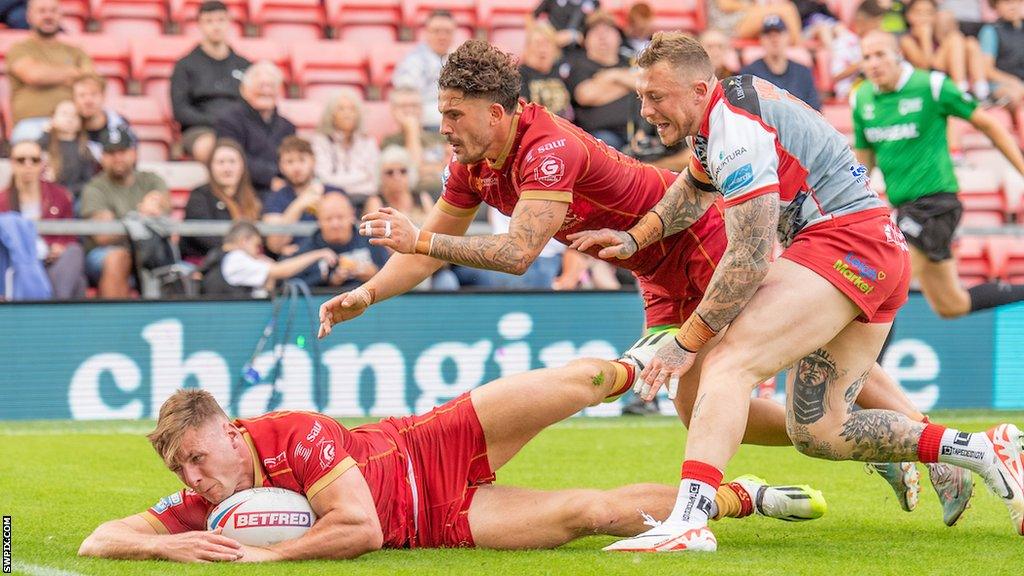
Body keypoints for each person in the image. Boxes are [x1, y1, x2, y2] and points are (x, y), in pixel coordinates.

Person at [320, 39, 971, 526]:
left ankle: (926, 446)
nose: (445, 127)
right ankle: (881, 442)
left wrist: (424, 239)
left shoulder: (547, 148)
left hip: (696, 235)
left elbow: (517, 252)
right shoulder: (473, 163)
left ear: (496, 113)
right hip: (653, 267)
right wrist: (370, 292)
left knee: (789, 350)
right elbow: (425, 248)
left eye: (455, 114)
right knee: (699, 410)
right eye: (441, 113)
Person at [564, 31, 1024, 552]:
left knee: (728, 362)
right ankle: (981, 448)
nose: (644, 110)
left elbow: (751, 256)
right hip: (869, 246)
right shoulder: (718, 112)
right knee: (819, 431)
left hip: (845, 243)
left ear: (697, 88)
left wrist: (685, 341)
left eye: (655, 97)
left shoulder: (734, 128)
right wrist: (636, 237)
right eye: (643, 96)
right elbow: (693, 189)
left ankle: (689, 522)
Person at [78, 360, 826, 562]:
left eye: (197, 458)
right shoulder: (210, 503)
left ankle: (668, 355)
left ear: (232, 433)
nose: (192, 479)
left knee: (584, 382)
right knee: (590, 513)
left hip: (434, 441)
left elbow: (361, 529)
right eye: (179, 470)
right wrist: (173, 542)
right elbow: (99, 539)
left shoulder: (289, 432)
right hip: (444, 521)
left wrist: (270, 561)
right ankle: (745, 497)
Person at [853, 31, 1024, 319]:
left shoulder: (930, 86)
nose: (873, 63)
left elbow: (990, 125)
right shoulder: (862, 98)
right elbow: (864, 161)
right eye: (867, 57)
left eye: (880, 54)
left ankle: (862, 365)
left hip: (936, 204)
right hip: (905, 208)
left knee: (882, 289)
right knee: (951, 305)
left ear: (898, 55)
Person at [79, 126, 170, 299]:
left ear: (133, 153)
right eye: (111, 152)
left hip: (149, 250)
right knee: (117, 258)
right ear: (103, 157)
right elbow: (103, 236)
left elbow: (161, 208)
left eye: (122, 151)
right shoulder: (95, 187)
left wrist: (122, 223)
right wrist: (139, 215)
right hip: (104, 254)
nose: (118, 158)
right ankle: (113, 324)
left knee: (186, 271)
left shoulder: (151, 179)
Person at [0, 140, 86, 299]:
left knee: (74, 252)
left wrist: (60, 247)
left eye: (34, 160)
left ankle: (50, 309)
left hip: (52, 260)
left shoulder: (60, 195)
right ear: (11, 163)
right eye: (21, 160)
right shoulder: (2, 200)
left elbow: (70, 235)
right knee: (78, 283)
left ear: (42, 164)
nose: (28, 165)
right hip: (18, 264)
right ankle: (54, 311)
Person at [170, 0, 251, 164]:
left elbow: (252, 103)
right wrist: (217, 121)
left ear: (229, 22)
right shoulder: (185, 65)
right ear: (199, 25)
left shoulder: (244, 65)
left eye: (221, 20)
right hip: (201, 130)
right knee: (211, 148)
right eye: (209, 21)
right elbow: (181, 111)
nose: (216, 26)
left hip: (240, 128)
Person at [7, 0, 93, 142]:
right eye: (42, 11)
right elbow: (34, 75)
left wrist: (48, 73)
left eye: (53, 11)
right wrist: (73, 73)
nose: (48, 16)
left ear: (60, 15)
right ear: (29, 16)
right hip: (32, 124)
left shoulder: (76, 51)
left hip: (72, 124)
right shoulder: (19, 49)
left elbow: (90, 81)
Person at [216, 61, 296, 196]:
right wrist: (270, 178)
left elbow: (291, 159)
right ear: (244, 90)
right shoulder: (228, 121)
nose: (265, 90)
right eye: (260, 85)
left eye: (270, 85)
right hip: (242, 190)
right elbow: (232, 159)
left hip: (280, 188)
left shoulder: (288, 126)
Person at [196, 221, 338, 297]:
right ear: (245, 240)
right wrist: (318, 254)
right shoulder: (236, 258)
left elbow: (267, 292)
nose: (257, 252)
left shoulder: (219, 257)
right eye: (256, 246)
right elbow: (281, 271)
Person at [262, 136, 347, 256]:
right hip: (294, 265)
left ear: (313, 161)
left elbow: (347, 235)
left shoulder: (334, 193)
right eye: (289, 162)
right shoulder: (274, 199)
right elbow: (275, 245)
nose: (296, 167)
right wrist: (300, 204)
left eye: (302, 160)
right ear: (281, 166)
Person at [564, 11, 637, 150]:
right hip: (602, 135)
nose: (602, 36)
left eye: (608, 30)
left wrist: (611, 76)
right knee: (604, 146)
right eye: (595, 31)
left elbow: (646, 84)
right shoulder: (579, 64)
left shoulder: (630, 62)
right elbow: (586, 95)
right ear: (585, 40)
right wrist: (628, 82)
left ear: (619, 37)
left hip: (640, 132)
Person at [180, 139, 263, 262]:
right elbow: (204, 237)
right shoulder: (199, 196)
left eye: (232, 162)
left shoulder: (255, 198)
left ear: (242, 166)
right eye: (220, 162)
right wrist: (240, 250)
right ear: (210, 167)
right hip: (207, 264)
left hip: (248, 263)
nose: (227, 168)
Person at [293, 193, 387, 290]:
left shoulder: (370, 240)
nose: (335, 225)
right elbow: (290, 284)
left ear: (352, 215)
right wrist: (329, 281)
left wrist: (375, 273)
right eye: (328, 219)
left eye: (340, 217)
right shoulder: (310, 247)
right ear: (319, 220)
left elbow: (390, 273)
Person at [900, 0, 990, 101]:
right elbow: (925, 66)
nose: (923, 17)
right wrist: (925, 38)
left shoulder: (937, 34)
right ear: (908, 15)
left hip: (943, 71)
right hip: (927, 76)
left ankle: (982, 92)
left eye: (929, 13)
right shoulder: (907, 40)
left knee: (971, 43)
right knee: (955, 38)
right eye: (918, 12)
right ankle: (960, 91)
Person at [310, 89, 380, 209]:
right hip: (330, 196)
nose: (347, 114)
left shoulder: (368, 142)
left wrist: (338, 182)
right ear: (331, 114)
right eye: (341, 109)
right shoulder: (320, 141)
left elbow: (373, 181)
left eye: (352, 109)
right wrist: (361, 178)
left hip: (364, 198)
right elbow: (323, 178)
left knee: (375, 203)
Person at [740, 15, 822, 111]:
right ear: (761, 39)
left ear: (787, 37)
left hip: (797, 124)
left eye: (778, 33)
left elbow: (815, 110)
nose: (774, 39)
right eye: (769, 35)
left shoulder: (803, 72)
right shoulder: (749, 74)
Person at [392, 9, 456, 130]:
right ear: (426, 33)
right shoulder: (412, 62)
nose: (442, 36)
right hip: (426, 127)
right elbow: (406, 106)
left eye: (447, 32)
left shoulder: (457, 59)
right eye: (436, 31)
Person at [380, 87, 450, 198]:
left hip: (446, 194)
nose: (409, 111)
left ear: (422, 109)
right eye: (403, 106)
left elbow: (449, 170)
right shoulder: (389, 142)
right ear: (393, 111)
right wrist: (411, 129)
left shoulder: (440, 136)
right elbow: (413, 172)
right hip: (415, 198)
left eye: (414, 106)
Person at [38, 99, 98, 201]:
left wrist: (70, 192)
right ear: (52, 118)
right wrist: (46, 132)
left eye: (75, 115)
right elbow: (35, 152)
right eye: (64, 113)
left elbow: (88, 181)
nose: (69, 118)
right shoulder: (45, 142)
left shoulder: (84, 149)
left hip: (73, 197)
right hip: (46, 196)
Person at [831, 0, 887, 100]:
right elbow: (835, 77)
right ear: (861, 20)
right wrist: (862, 64)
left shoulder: (880, 41)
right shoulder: (845, 41)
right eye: (876, 22)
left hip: (876, 89)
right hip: (849, 93)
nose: (880, 26)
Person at [71, 74, 135, 162]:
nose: (88, 101)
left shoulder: (119, 124)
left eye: (93, 94)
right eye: (82, 95)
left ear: (103, 97)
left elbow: (130, 162)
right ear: (74, 99)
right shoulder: (67, 127)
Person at [519, 21, 573, 120]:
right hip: (538, 129)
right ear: (528, 47)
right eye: (538, 43)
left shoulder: (563, 71)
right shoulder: (520, 74)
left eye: (547, 43)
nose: (542, 49)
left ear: (555, 48)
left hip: (568, 129)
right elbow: (521, 112)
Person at [978, 0, 1024, 110]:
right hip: (1001, 84)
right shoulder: (990, 31)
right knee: (1014, 94)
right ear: (996, 6)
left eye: (1017, 2)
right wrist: (1014, 81)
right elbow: (987, 70)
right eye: (1007, 2)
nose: (1013, 6)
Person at [705, 0, 802, 45]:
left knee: (787, 8)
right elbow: (726, 5)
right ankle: (797, 47)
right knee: (786, 9)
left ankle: (794, 48)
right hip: (726, 26)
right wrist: (753, 8)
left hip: (743, 17)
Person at [533, 0, 599, 50]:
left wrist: (575, 36)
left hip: (579, 49)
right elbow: (531, 16)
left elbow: (598, 27)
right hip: (553, 47)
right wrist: (549, 36)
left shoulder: (593, 2)